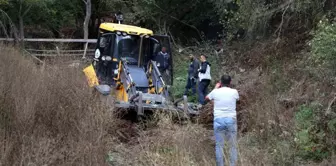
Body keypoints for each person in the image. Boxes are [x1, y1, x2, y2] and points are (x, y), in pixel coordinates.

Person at [205, 75, 240, 166]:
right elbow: (238, 100)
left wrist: (215, 88)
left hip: (218, 120)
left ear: (220, 82)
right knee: (232, 146)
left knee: (219, 146)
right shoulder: (234, 92)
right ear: (230, 82)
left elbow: (207, 98)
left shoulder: (216, 91)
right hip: (231, 120)